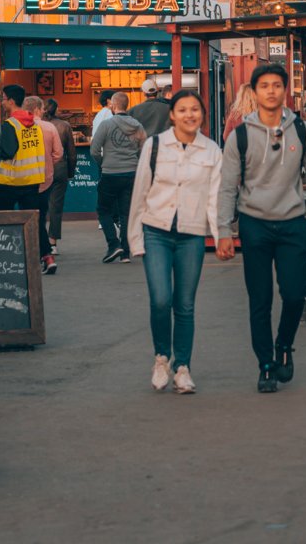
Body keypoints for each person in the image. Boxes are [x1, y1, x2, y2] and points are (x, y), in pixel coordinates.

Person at [216, 63, 306, 394]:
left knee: (293, 295)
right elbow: (226, 186)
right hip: (254, 224)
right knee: (259, 299)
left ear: (284, 90)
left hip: (294, 223)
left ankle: (284, 345)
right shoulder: (241, 135)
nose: (271, 91)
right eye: (264, 85)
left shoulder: (303, 131)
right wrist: (224, 229)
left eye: (277, 85)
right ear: (255, 91)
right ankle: (265, 365)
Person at [128, 89, 221, 395]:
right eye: (182, 110)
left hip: (191, 235)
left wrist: (220, 237)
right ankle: (161, 357)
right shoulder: (155, 146)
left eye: (195, 109)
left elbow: (214, 198)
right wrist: (135, 240)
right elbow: (140, 193)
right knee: (160, 299)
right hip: (156, 231)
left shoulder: (211, 151)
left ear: (202, 114)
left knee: (184, 304)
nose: (189, 115)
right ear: (172, 114)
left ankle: (182, 367)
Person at [0, 85, 55, 274]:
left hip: (11, 180)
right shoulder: (34, 124)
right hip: (33, 180)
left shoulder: (10, 124)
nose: (2, 102)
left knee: (5, 218)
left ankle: (6, 258)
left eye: (3, 99)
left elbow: (9, 151)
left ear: (11, 101)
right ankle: (48, 257)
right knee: (35, 220)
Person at [89, 91, 147, 264]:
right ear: (127, 105)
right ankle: (125, 253)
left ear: (113, 105)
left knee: (103, 209)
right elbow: (144, 148)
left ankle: (113, 245)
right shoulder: (137, 126)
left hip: (110, 173)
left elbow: (94, 149)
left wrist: (103, 163)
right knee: (126, 213)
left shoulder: (106, 124)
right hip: (131, 173)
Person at [22, 96, 64, 263]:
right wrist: (48, 164)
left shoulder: (18, 126)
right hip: (45, 178)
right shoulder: (49, 127)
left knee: (29, 214)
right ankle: (45, 251)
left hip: (24, 178)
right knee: (42, 212)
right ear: (39, 109)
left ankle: (35, 249)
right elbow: (59, 153)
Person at [44, 99, 78, 255]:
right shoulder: (64, 126)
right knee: (56, 207)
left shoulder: (36, 125)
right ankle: (52, 243)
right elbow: (71, 153)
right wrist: (70, 172)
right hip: (59, 169)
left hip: (41, 169)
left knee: (40, 206)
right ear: (57, 110)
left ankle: (40, 240)